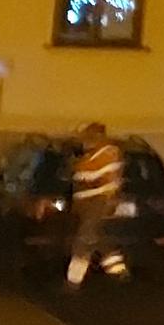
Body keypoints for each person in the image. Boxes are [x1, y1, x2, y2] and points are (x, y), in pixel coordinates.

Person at [63, 122, 128, 286]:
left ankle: (73, 280)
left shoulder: (107, 152)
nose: (83, 139)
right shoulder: (92, 154)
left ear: (96, 135)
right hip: (89, 202)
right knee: (99, 237)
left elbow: (92, 176)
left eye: (85, 135)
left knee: (84, 239)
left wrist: (77, 167)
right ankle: (118, 270)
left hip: (99, 201)